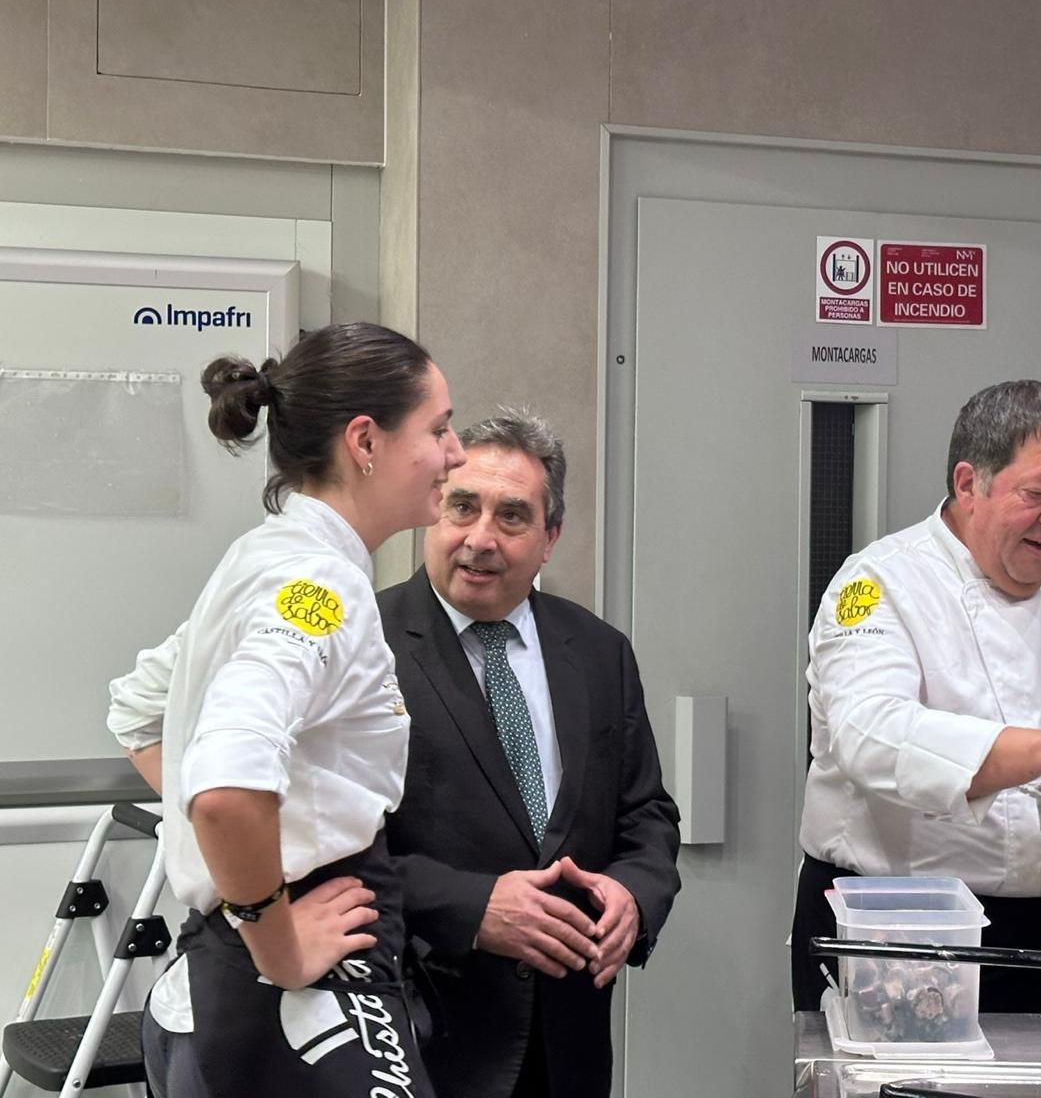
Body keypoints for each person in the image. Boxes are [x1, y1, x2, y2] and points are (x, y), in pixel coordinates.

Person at [106, 321, 468, 1096]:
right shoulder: (317, 588)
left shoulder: (267, 559)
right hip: (293, 977)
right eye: (439, 428)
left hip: (234, 962)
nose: (457, 452)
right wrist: (278, 939)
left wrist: (238, 862)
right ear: (365, 442)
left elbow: (138, 711)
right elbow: (226, 790)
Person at [791, 379, 1041, 1015]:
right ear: (969, 484)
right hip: (894, 927)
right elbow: (871, 736)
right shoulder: (876, 583)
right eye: (1038, 493)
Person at [379, 410, 679, 1098]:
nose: (480, 538)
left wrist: (634, 895)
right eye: (462, 506)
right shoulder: (365, 643)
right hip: (421, 1032)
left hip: (568, 1038)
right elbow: (329, 854)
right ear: (433, 510)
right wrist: (472, 907)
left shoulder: (599, 651)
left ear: (550, 538)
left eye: (512, 516)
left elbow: (646, 813)